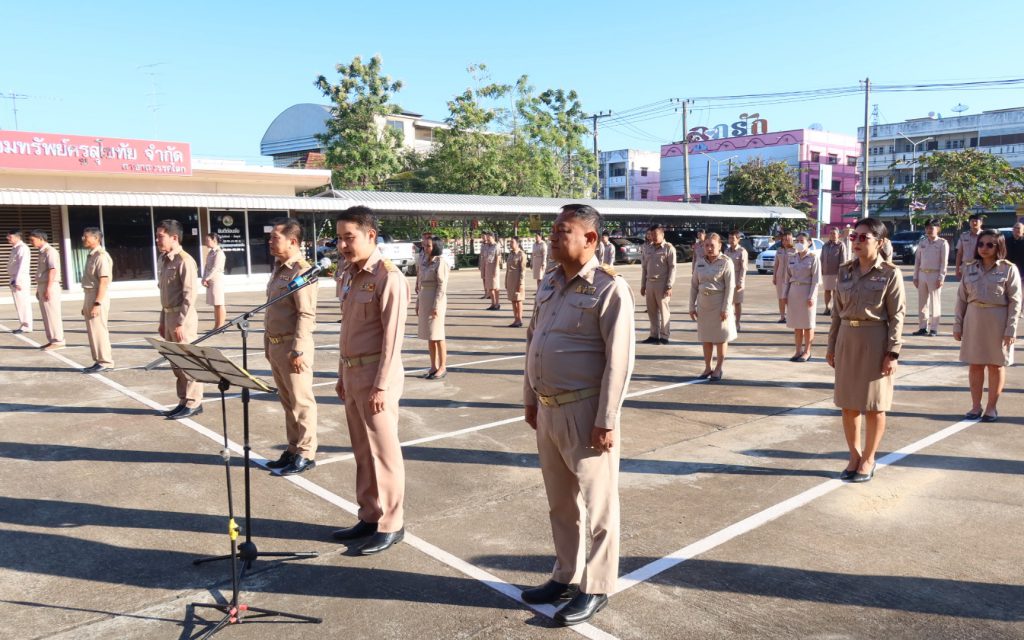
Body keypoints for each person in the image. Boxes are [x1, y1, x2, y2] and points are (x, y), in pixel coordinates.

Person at [521, 203, 635, 627]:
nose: (553, 237)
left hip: (586, 412)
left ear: (590, 238)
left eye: (562, 231)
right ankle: (565, 575)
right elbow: (533, 341)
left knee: (599, 505)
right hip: (548, 408)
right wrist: (529, 397)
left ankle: (598, 585)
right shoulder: (549, 281)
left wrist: (607, 419)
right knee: (560, 503)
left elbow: (619, 361)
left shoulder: (609, 288)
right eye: (553, 230)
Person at [331, 206, 409, 556]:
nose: (342, 245)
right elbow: (347, 330)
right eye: (339, 238)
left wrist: (381, 385)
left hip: (377, 374)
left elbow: (393, 340)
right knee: (362, 451)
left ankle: (392, 523)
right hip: (353, 373)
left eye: (349, 238)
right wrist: (341, 373)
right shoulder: (351, 275)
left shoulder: (388, 277)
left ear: (370, 235)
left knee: (383, 452)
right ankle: (369, 514)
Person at [826, 218, 906, 483]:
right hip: (847, 338)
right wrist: (831, 345)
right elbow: (836, 312)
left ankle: (869, 458)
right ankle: (854, 455)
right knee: (848, 404)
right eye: (854, 237)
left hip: (875, 339)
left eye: (864, 237)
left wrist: (892, 353)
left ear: (880, 242)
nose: (857, 242)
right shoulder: (844, 271)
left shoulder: (890, 273)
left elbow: (897, 316)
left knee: (874, 405)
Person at [261, 218, 319, 476]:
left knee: (301, 402)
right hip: (276, 345)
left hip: (292, 346)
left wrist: (298, 349)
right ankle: (293, 448)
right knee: (287, 402)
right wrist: (267, 343)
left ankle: (306, 453)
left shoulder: (301, 272)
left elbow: (306, 314)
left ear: (293, 241)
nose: (270, 242)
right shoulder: (279, 269)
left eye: (275, 238)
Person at [953, 229, 1022, 422]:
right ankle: (975, 406)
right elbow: (961, 299)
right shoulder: (970, 268)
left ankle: (991, 408)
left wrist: (1011, 329)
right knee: (975, 365)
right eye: (981, 244)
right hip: (974, 319)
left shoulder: (1008, 269)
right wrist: (958, 325)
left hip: (998, 320)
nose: (984, 248)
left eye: (990, 245)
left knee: (996, 365)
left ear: (999, 246)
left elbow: (1015, 302)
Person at [154, 220, 204, 419]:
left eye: (161, 236)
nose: (157, 240)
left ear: (174, 237)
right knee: (176, 361)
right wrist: (162, 320)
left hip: (183, 318)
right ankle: (183, 400)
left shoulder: (185, 260)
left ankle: (194, 402)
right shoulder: (164, 259)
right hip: (169, 315)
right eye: (157, 236)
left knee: (188, 361)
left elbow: (190, 296)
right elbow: (165, 295)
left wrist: (180, 322)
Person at [689, 232, 736, 380]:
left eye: (712, 245)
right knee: (706, 337)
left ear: (720, 246)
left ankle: (719, 368)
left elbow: (730, 287)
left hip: (719, 304)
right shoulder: (700, 262)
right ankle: (708, 367)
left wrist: (725, 308)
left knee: (720, 338)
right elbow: (694, 286)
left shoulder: (726, 262)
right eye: (706, 245)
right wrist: (691, 306)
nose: (709, 248)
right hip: (704, 305)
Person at [80, 227, 114, 373]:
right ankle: (99, 360)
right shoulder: (91, 255)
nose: (83, 239)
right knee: (93, 330)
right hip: (89, 294)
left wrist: (97, 303)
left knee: (99, 330)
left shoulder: (101, 256)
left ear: (96, 238)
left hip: (97, 295)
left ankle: (106, 361)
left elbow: (104, 282)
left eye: (86, 236)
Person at [785, 232, 821, 362]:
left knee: (808, 324)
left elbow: (816, 280)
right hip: (794, 292)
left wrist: (812, 296)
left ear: (809, 243)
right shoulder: (792, 257)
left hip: (807, 292)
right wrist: (785, 294)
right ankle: (798, 350)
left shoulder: (813, 258)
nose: (799, 243)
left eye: (802, 241)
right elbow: (787, 278)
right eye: (797, 241)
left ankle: (807, 351)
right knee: (797, 324)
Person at [417, 235, 449, 379]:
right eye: (424, 246)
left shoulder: (440, 262)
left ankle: (442, 366)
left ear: (436, 247)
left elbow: (442, 286)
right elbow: (420, 283)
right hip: (425, 298)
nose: (425, 248)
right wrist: (418, 302)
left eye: (428, 246)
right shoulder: (424, 260)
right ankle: (433, 366)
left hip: (436, 300)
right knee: (430, 335)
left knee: (438, 335)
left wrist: (436, 305)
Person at [912, 219, 950, 337]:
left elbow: (944, 262)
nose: (929, 230)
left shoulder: (942, 243)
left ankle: (934, 328)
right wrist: (915, 276)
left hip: (935, 274)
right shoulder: (922, 242)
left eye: (931, 228)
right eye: (927, 228)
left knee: (935, 302)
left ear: (938, 229)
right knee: (922, 303)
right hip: (922, 274)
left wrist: (941, 277)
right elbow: (917, 260)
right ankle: (923, 327)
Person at [640, 224, 676, 344]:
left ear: (662, 234)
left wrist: (669, 285)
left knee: (664, 311)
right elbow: (644, 268)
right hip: (650, 283)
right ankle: (654, 335)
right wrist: (643, 285)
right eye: (652, 235)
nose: (653, 237)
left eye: (656, 234)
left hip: (662, 283)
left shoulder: (668, 248)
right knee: (652, 311)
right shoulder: (648, 248)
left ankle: (664, 336)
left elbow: (672, 268)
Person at [28, 230, 64, 350]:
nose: (31, 242)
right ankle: (52, 340)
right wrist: (39, 289)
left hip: (50, 285)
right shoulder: (42, 252)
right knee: (46, 315)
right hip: (43, 284)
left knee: (52, 314)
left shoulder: (50, 251)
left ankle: (58, 340)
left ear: (40, 238)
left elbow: (52, 270)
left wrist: (48, 289)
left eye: (33, 240)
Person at [6, 229, 32, 334]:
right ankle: (23, 324)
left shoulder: (22, 248)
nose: (8, 238)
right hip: (15, 278)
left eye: (10, 236)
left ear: (17, 237)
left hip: (20, 279)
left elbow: (23, 265)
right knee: (19, 303)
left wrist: (18, 281)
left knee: (23, 303)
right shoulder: (15, 248)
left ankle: (26, 326)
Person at [820, 227, 849, 316]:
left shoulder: (841, 245)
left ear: (838, 235)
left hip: (836, 273)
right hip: (826, 273)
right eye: (831, 233)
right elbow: (821, 258)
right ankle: (827, 308)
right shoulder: (825, 245)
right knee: (827, 291)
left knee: (836, 292)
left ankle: (835, 308)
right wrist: (821, 270)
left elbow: (843, 260)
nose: (832, 235)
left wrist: (842, 272)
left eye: (834, 233)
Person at [723, 230, 748, 331]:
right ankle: (730, 322)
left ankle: (737, 323)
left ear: (738, 239)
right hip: (727, 279)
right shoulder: (726, 251)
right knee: (728, 302)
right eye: (729, 238)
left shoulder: (742, 251)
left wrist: (740, 282)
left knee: (737, 302)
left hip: (737, 278)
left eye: (733, 238)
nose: (731, 240)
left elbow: (743, 268)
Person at [201, 232, 226, 329]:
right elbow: (207, 267)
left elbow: (215, 268)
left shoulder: (219, 253)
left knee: (219, 303)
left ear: (214, 241)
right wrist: (204, 278)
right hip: (210, 279)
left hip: (217, 279)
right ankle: (216, 325)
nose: (206, 242)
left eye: (208, 240)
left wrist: (206, 278)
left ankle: (221, 326)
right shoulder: (211, 252)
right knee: (215, 304)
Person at [772, 231, 795, 323]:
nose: (785, 242)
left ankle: (790, 316)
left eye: (787, 240)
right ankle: (782, 316)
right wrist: (774, 276)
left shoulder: (795, 250)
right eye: (783, 240)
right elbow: (776, 264)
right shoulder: (779, 250)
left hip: (790, 278)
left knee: (790, 298)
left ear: (791, 240)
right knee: (781, 297)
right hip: (780, 277)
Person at [505, 236, 526, 327]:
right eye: (510, 242)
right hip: (511, 279)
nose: (510, 244)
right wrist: (506, 281)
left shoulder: (521, 254)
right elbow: (508, 269)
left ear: (517, 243)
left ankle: (519, 319)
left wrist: (521, 283)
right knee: (513, 300)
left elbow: (523, 270)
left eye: (512, 242)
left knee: (518, 300)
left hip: (517, 280)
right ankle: (515, 319)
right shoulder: (510, 254)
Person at [955, 214, 984, 279]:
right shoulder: (964, 236)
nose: (974, 223)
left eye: (976, 221)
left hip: (980, 266)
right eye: (972, 221)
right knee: (965, 285)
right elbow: (959, 253)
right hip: (965, 266)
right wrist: (957, 269)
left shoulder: (985, 235)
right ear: (969, 223)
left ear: (981, 223)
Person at [481, 232, 503, 311]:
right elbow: (483, 257)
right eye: (487, 237)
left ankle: (497, 304)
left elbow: (498, 257)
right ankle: (493, 304)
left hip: (494, 266)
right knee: (489, 286)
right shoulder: (486, 246)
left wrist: (495, 268)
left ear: (492, 237)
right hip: (487, 267)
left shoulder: (496, 246)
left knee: (495, 287)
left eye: (488, 237)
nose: (487, 239)